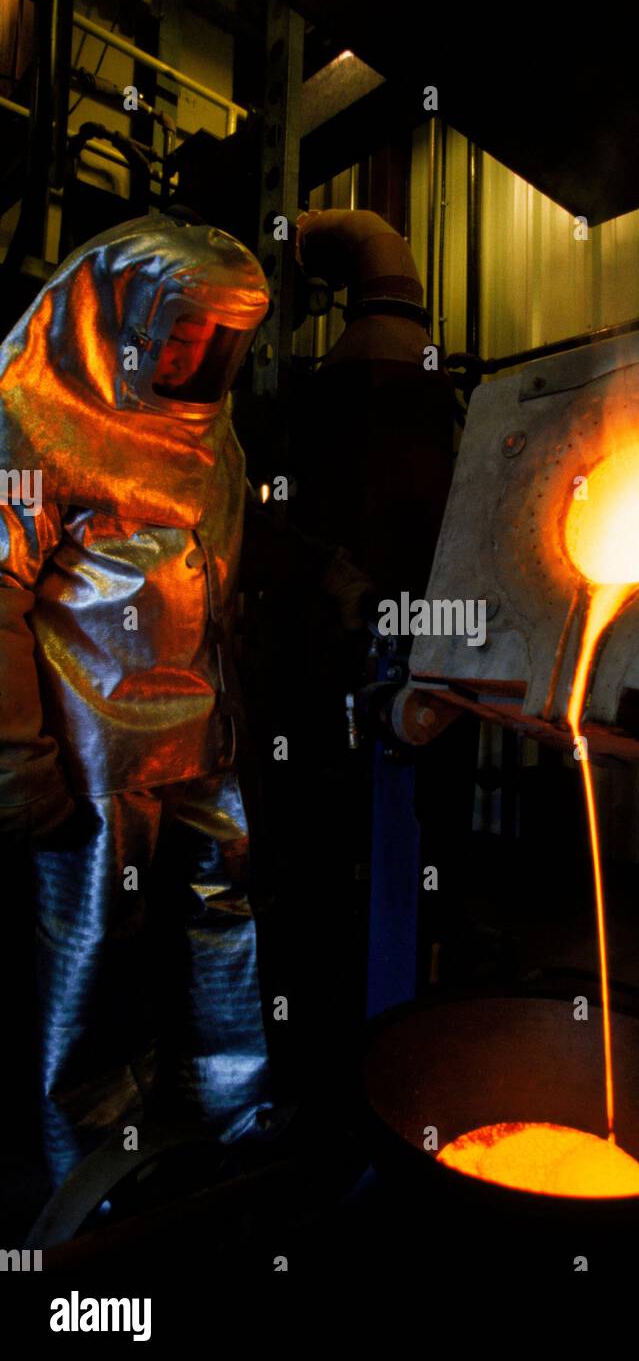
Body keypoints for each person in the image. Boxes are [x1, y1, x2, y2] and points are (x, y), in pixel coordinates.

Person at [0, 211, 276, 1191]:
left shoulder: (215, 435)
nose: (199, 351)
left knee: (222, 913)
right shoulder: (34, 414)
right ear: (123, 313)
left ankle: (235, 1114)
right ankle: (90, 1164)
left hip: (205, 725)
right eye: (183, 323)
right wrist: (19, 760)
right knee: (90, 952)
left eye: (220, 333)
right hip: (94, 750)